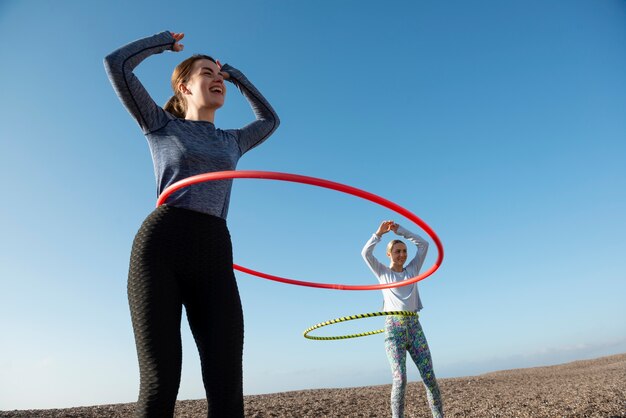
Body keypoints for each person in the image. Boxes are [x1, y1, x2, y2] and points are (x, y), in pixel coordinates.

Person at [104, 31, 279, 417]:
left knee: (226, 381)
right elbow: (115, 63)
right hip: (162, 246)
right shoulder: (160, 124)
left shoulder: (232, 140)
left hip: (214, 248)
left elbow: (270, 120)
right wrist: (164, 42)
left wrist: (237, 76)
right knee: (160, 380)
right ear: (184, 87)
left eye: (218, 76)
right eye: (206, 73)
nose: (217, 79)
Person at [362, 220, 443, 418]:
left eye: (404, 251)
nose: (402, 255)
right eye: (397, 251)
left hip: (414, 327)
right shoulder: (383, 273)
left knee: (429, 377)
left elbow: (424, 245)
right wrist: (379, 233)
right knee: (400, 379)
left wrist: (401, 231)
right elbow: (365, 254)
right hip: (394, 329)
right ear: (389, 254)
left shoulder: (412, 270)